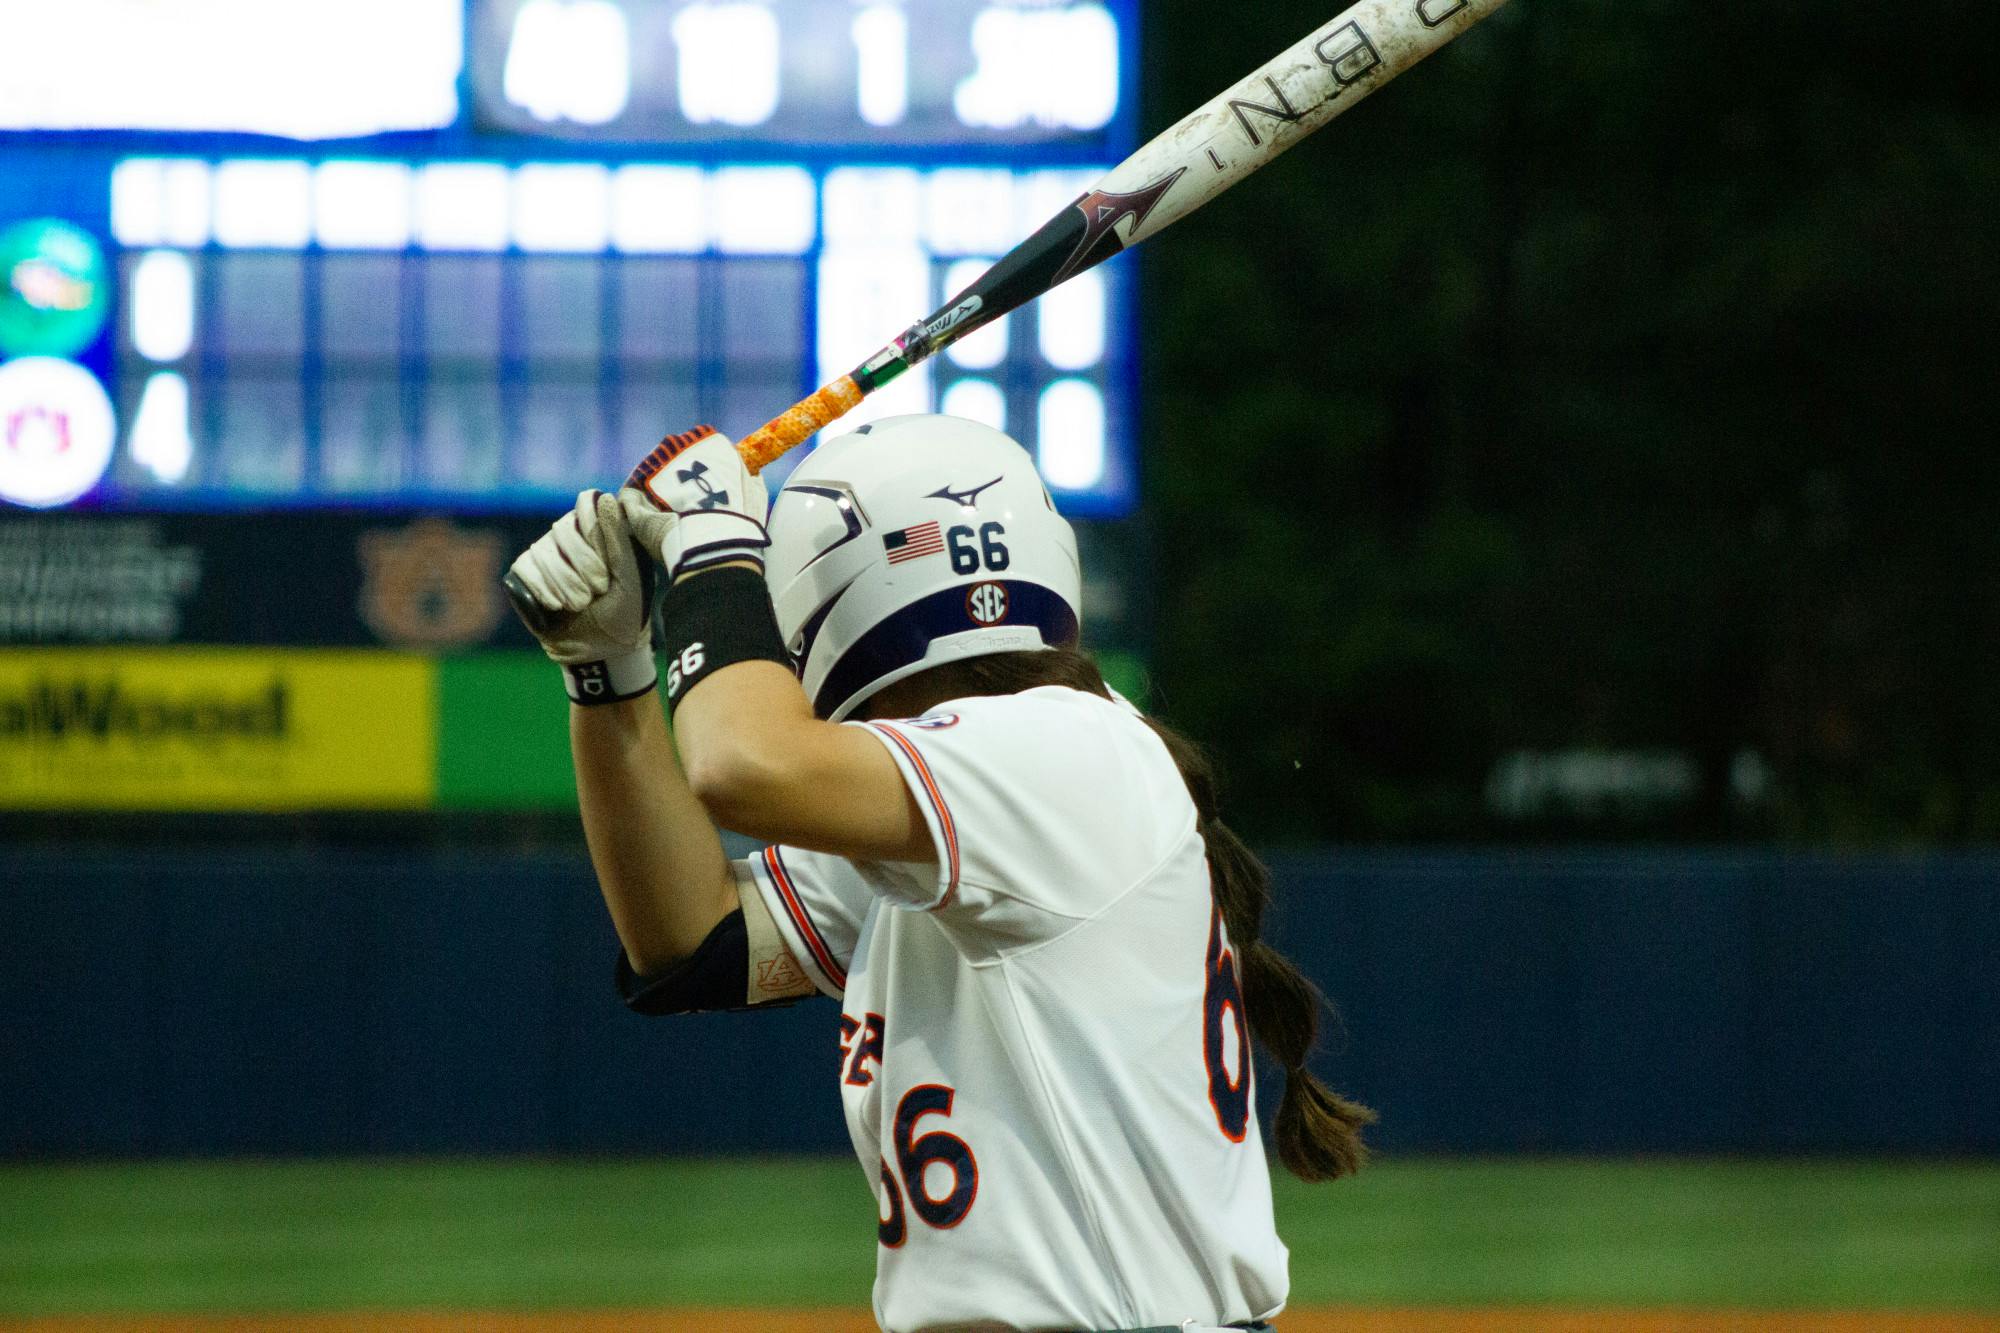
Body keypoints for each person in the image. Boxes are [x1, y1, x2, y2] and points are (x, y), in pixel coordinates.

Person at [505, 415, 1373, 1333]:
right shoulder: (986, 782)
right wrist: (608, 673)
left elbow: (739, 766)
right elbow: (697, 939)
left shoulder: (1053, 751)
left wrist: (714, 544)